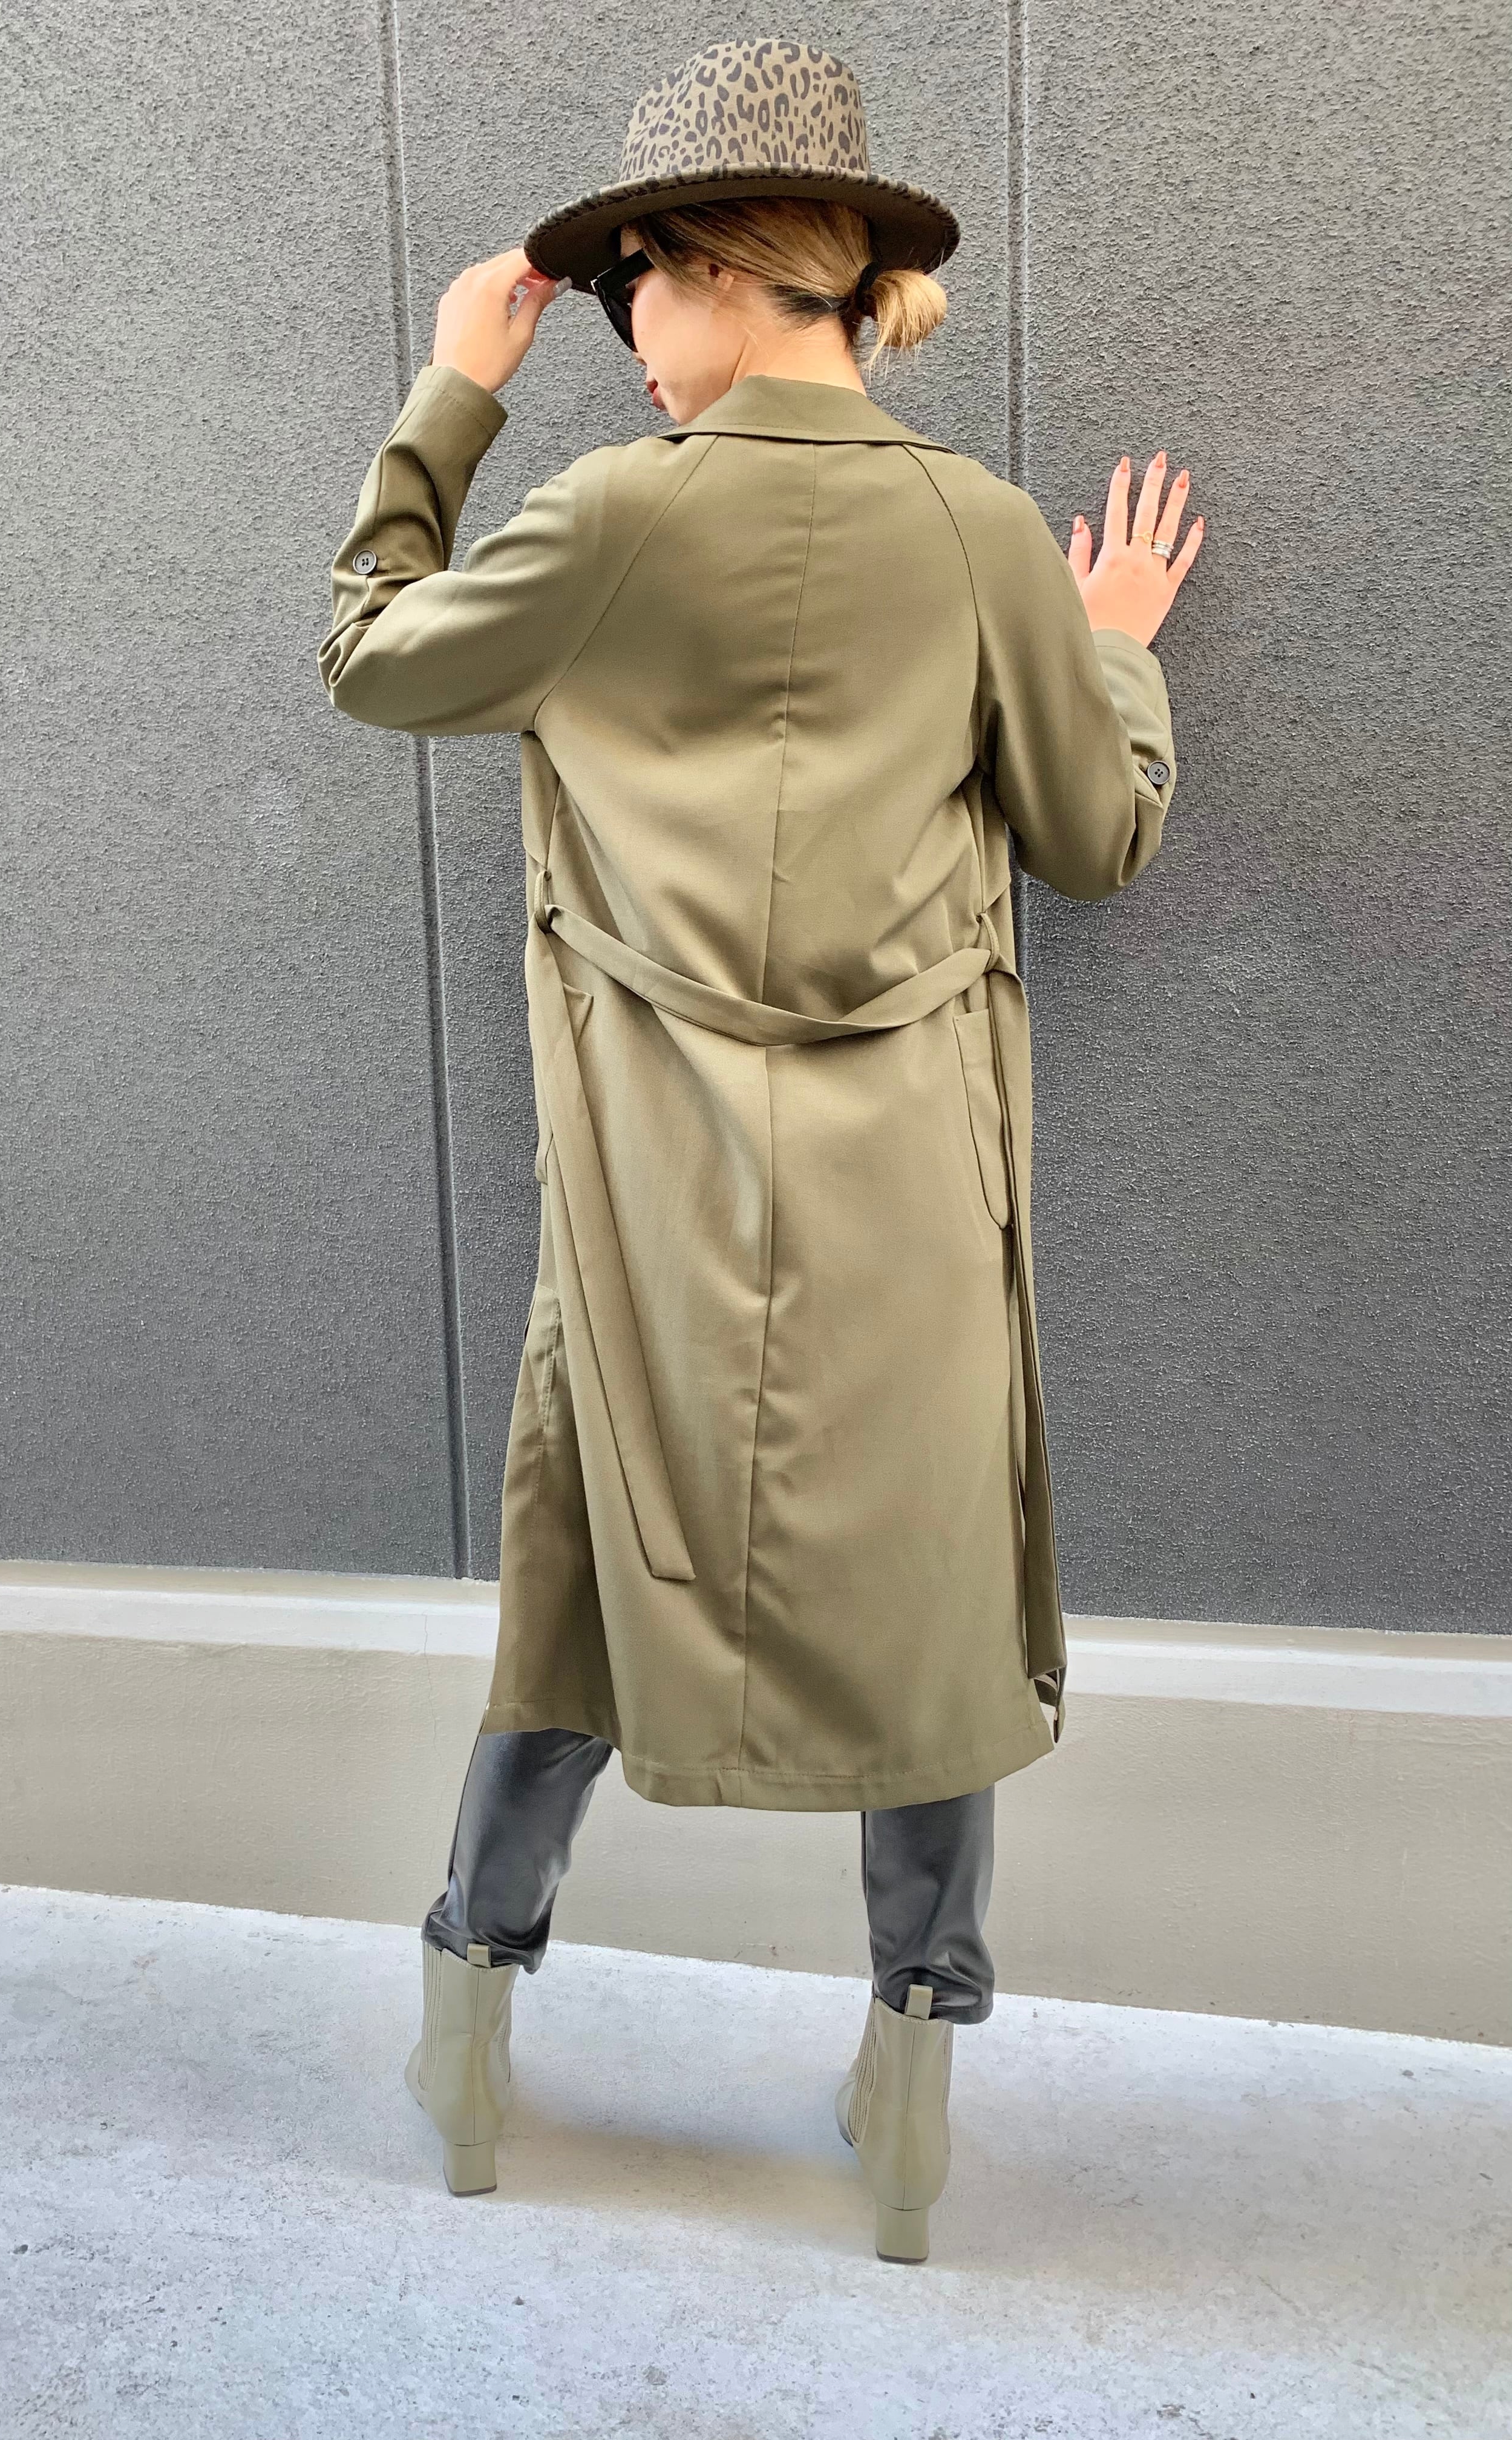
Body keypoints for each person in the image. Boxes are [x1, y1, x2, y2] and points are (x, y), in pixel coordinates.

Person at [318, 37, 1201, 2261]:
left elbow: (371, 658)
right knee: (932, 1610)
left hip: (652, 1192)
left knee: (578, 1584)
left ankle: (467, 2034)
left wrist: (453, 399)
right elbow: (1097, 837)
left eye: (633, 281)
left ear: (716, 268)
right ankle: (910, 2094)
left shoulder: (611, 517)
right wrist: (1110, 652)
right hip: (915, 1193)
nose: (624, 324)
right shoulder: (980, 533)